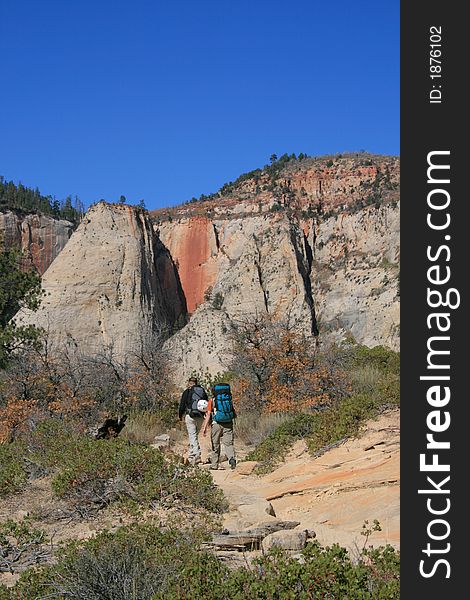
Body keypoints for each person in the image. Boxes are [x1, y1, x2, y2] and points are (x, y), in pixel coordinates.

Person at [202, 383, 236, 470]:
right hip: (228, 423)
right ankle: (231, 458)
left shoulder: (212, 401)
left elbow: (208, 414)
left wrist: (205, 427)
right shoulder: (228, 399)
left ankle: (214, 465)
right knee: (228, 443)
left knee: (215, 445)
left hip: (216, 424)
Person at [178, 377, 208, 465]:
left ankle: (197, 455)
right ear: (196, 382)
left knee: (192, 436)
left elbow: (182, 404)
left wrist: (180, 415)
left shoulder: (187, 392)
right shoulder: (202, 391)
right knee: (194, 436)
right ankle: (191, 456)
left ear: (189, 383)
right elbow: (206, 403)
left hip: (190, 416)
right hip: (200, 416)